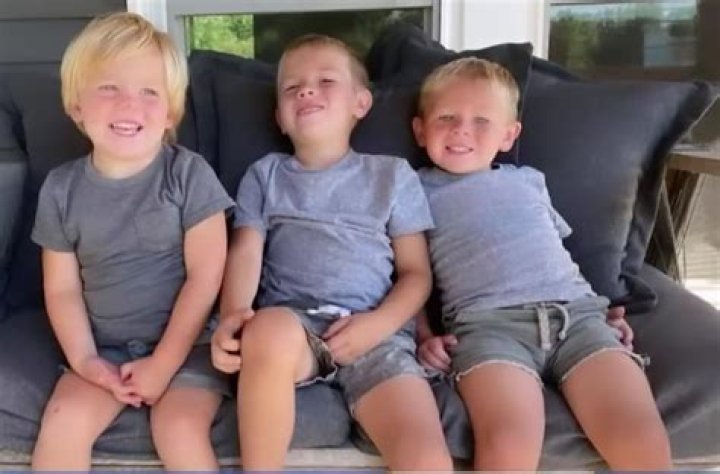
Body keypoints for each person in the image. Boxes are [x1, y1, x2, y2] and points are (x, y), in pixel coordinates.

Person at [412, 57, 672, 470]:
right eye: (446, 117)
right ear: (420, 129)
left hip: (578, 318)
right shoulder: (413, 190)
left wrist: (603, 307)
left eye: (481, 120)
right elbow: (406, 273)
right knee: (508, 442)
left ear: (509, 135)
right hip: (489, 328)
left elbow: (551, 252)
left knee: (639, 435)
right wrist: (423, 335)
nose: (461, 129)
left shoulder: (528, 181)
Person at [210, 34, 452, 471]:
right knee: (266, 329)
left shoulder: (392, 176)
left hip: (376, 334)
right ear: (280, 117)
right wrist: (232, 316)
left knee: (426, 459)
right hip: (294, 328)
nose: (306, 91)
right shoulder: (266, 175)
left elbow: (416, 273)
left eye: (325, 81)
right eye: (292, 87)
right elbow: (245, 252)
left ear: (361, 102)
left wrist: (379, 324)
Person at [31, 12, 234, 470]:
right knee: (63, 421)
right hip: (105, 348)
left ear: (170, 114)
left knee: (178, 429)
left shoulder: (188, 175)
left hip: (189, 349)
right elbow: (61, 290)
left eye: (149, 92)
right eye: (109, 88)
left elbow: (206, 277)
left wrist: (163, 364)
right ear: (76, 106)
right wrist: (86, 361)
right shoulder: (60, 189)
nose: (129, 104)